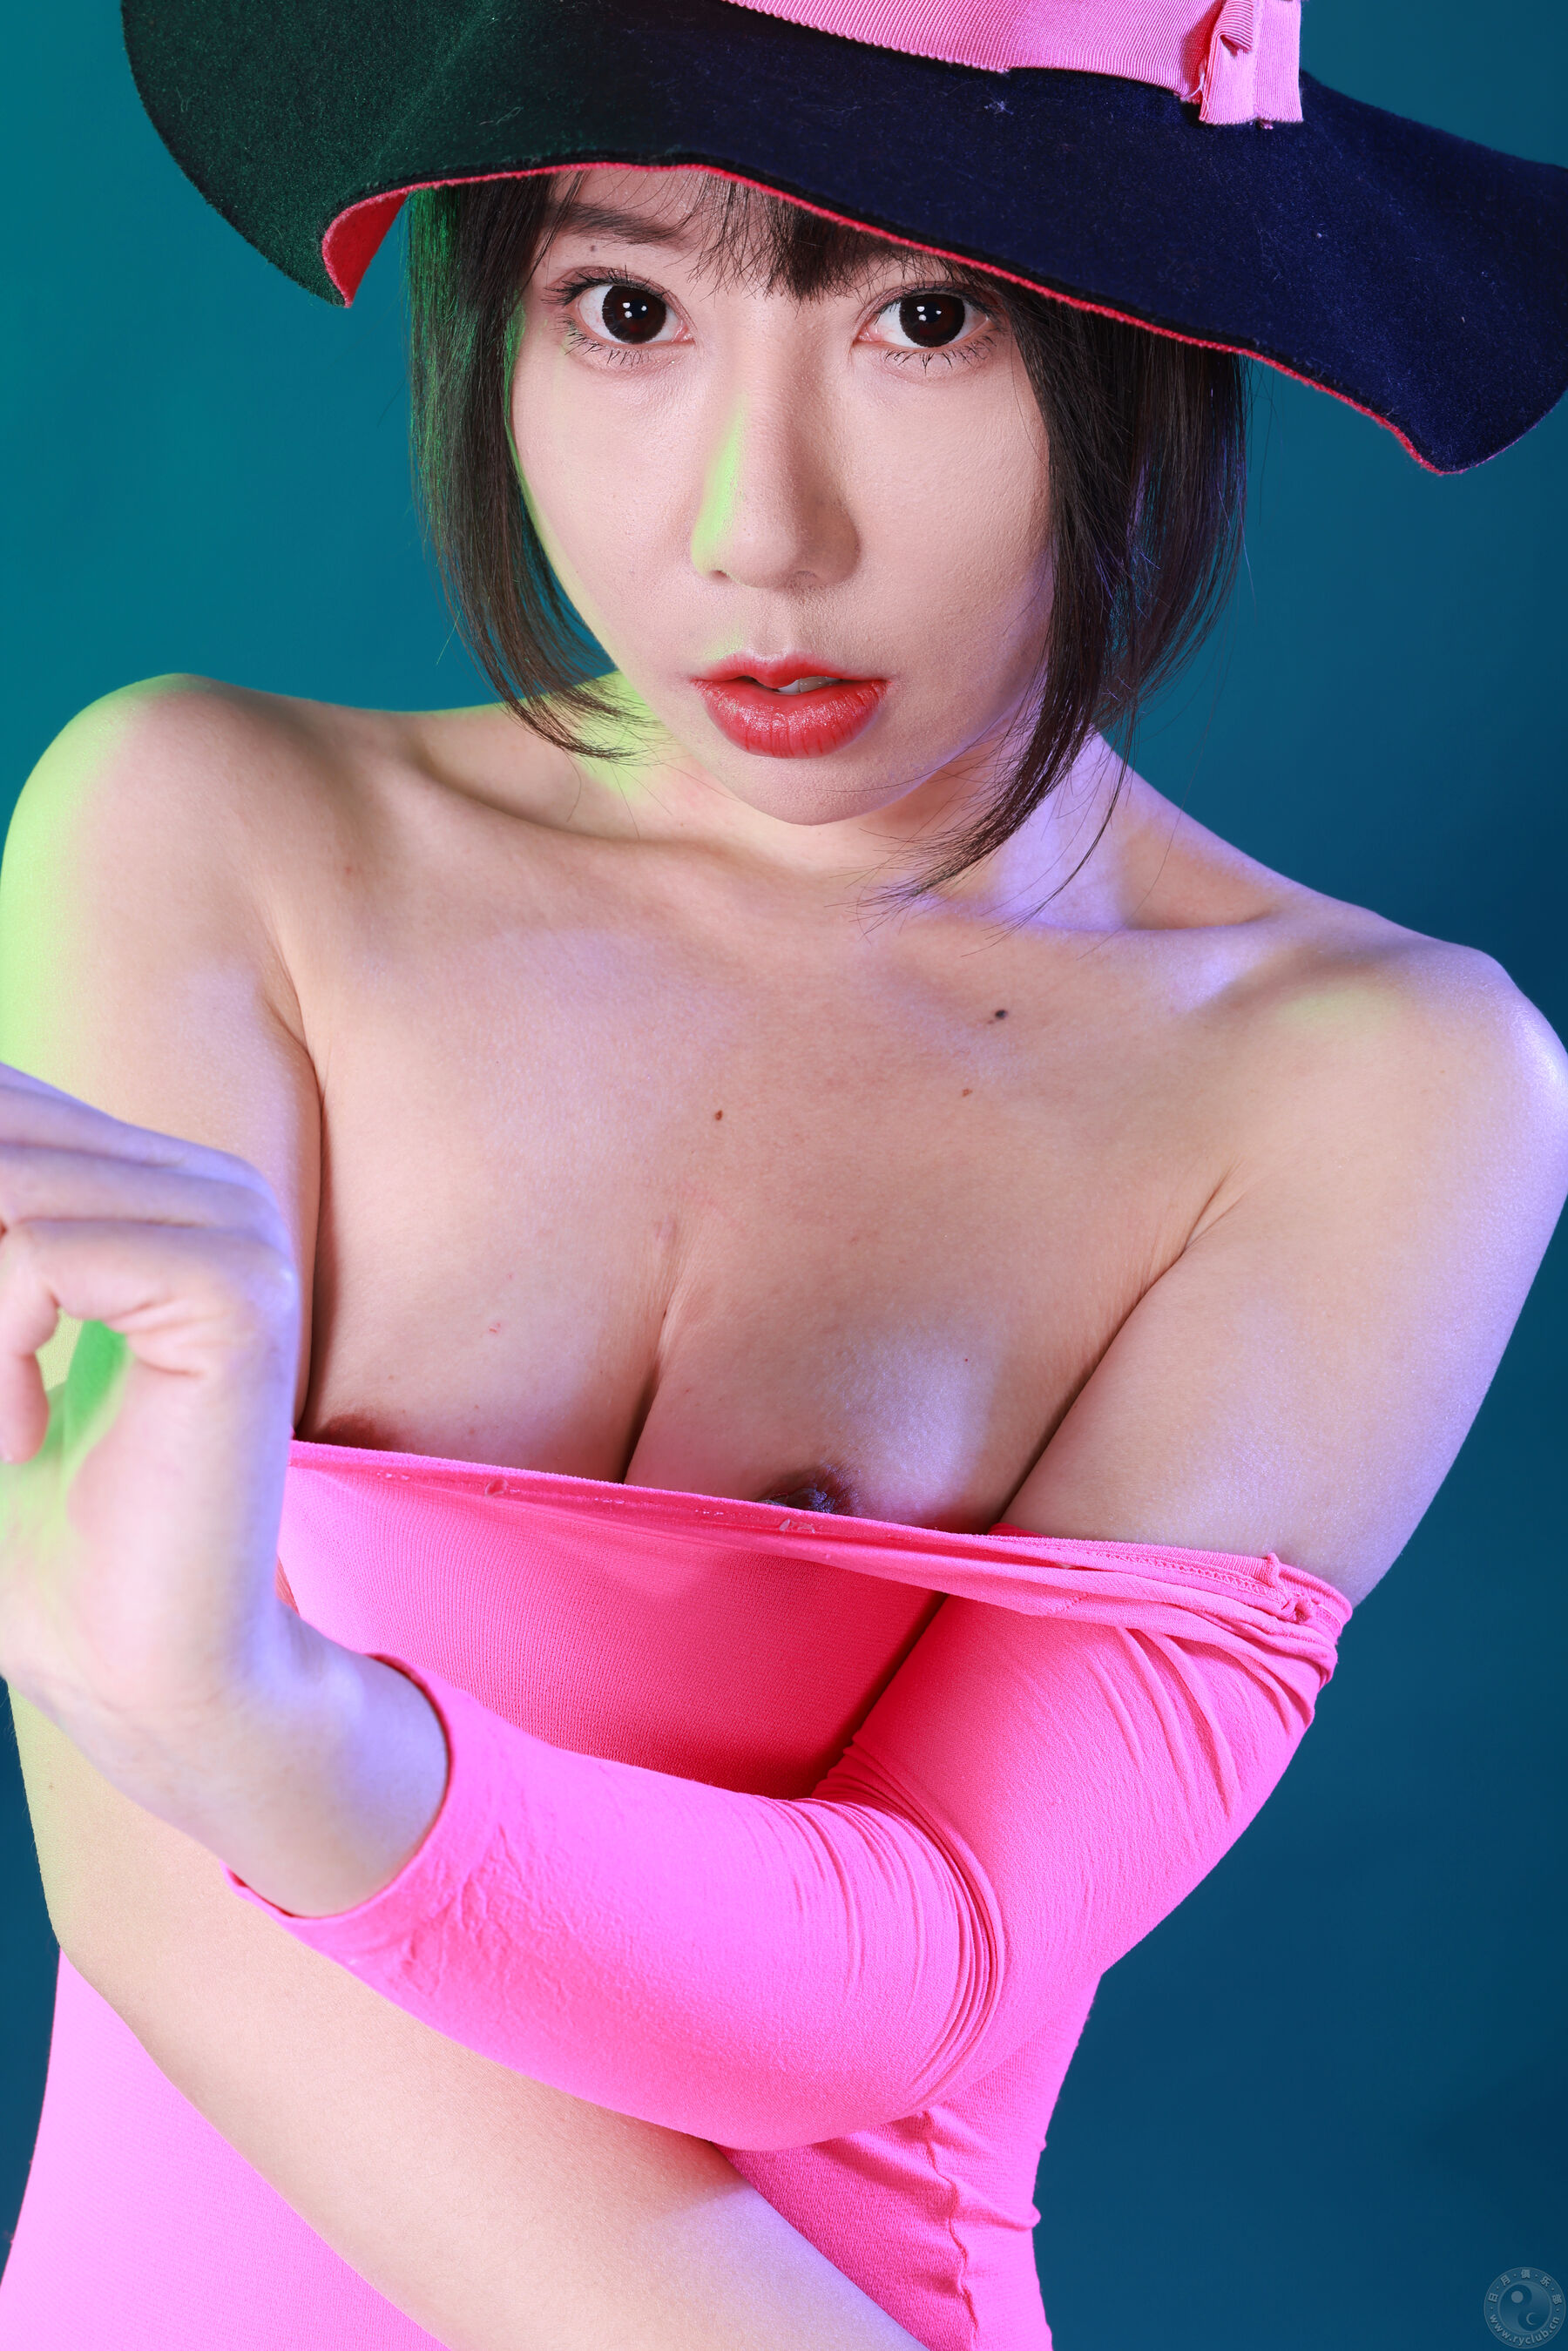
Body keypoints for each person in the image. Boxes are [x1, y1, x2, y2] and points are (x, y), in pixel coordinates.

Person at [1, 4, 1565, 2348]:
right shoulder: (203, 836)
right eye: (628, 307)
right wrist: (198, 1721)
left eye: (923, 320)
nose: (756, 530)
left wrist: (255, 1720)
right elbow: (153, 1900)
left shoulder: (1383, 1087)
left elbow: (922, 1958)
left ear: (1146, 331)